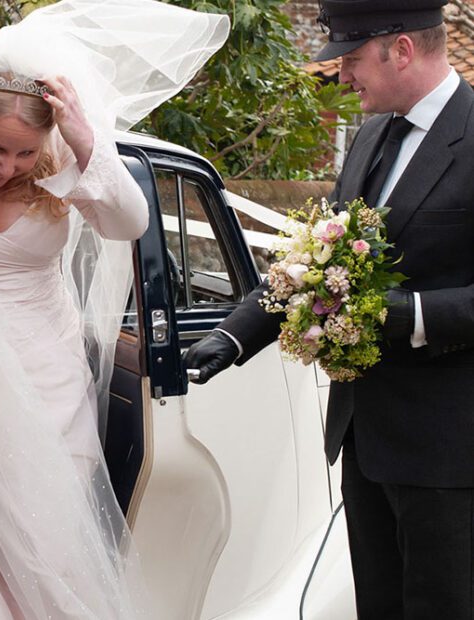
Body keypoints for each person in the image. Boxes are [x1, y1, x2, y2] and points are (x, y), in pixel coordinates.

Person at [0, 1, 229, 617]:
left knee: (44, 552)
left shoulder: (61, 155)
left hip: (48, 379)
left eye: (25, 155)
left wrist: (85, 140)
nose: (7, 168)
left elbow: (130, 222)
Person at [184, 0, 474, 616]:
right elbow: (315, 264)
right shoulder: (370, 136)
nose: (342, 76)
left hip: (454, 450)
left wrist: (411, 315)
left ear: (401, 49)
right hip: (363, 436)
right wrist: (231, 338)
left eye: (352, 58)